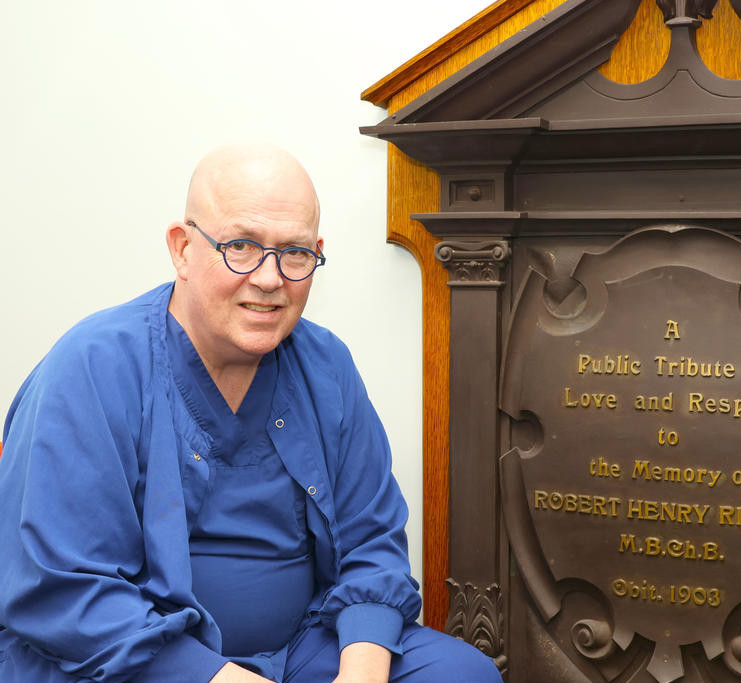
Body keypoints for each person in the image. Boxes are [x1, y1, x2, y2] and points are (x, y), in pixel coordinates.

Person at [0, 143, 502, 683]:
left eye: (295, 253)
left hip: (301, 649)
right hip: (137, 661)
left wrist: (361, 672)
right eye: (240, 246)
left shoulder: (325, 364)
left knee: (460, 673)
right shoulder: (92, 368)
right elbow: (62, 589)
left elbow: (371, 540)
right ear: (182, 248)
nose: (269, 278)